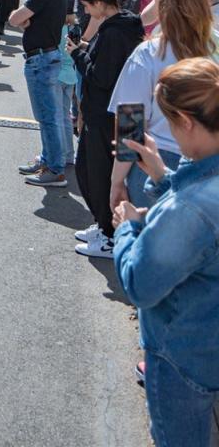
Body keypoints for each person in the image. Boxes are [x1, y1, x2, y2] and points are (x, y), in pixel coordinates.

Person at [113, 58, 219, 447]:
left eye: (172, 122)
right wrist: (161, 176)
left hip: (183, 354)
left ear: (187, 122)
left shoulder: (189, 210)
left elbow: (141, 284)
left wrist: (127, 226)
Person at [109, 0, 219, 212]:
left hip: (155, 164)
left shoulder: (148, 55)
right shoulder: (214, 44)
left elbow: (130, 125)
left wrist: (116, 181)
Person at [68, 0, 144, 259]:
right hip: (113, 114)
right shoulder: (124, 26)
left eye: (88, 6)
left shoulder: (114, 32)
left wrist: (78, 55)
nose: (86, 11)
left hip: (108, 116)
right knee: (90, 171)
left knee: (99, 175)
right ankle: (103, 224)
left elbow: (101, 77)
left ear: (100, 3)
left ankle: (111, 234)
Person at [9, 0, 71, 188]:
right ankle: (48, 159)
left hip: (40, 60)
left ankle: (55, 169)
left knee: (47, 117)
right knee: (50, 115)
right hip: (49, 55)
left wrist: (23, 20)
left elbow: (15, 18)